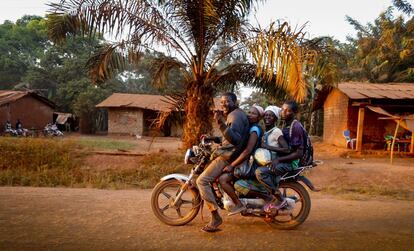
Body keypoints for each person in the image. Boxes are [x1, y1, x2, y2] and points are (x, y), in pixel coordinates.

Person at [197, 92, 250, 232]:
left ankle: (215, 217)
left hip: (228, 157)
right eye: (221, 102)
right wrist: (214, 139)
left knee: (201, 181)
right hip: (230, 153)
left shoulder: (235, 116)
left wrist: (220, 123)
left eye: (226, 101)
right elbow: (229, 138)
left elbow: (236, 140)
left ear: (234, 101)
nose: (223, 104)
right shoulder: (236, 114)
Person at [255, 100, 306, 212]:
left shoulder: (295, 126)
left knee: (260, 172)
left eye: (287, 110)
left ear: (294, 112)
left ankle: (278, 198)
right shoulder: (287, 125)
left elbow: (298, 153)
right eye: (282, 109)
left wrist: (278, 159)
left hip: (291, 163)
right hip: (285, 160)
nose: (283, 112)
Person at [233, 105, 289, 201]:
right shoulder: (266, 132)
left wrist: (267, 147)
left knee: (255, 174)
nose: (267, 117)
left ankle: (274, 195)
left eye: (270, 116)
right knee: (241, 181)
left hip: (271, 166)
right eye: (266, 115)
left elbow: (286, 149)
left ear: (275, 119)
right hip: (264, 164)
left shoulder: (276, 131)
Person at [218, 104, 264, 216]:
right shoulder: (249, 128)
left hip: (250, 164)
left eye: (254, 113)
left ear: (259, 118)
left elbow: (248, 150)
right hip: (247, 162)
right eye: (249, 112)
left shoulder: (254, 130)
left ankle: (238, 204)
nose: (250, 115)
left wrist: (232, 165)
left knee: (223, 179)